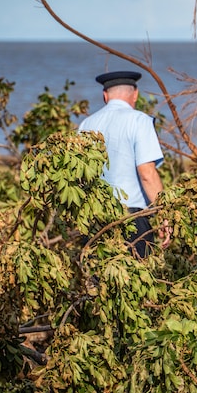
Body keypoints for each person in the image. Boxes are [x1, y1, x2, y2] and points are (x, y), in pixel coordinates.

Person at [79, 70, 171, 257]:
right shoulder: (140, 121)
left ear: (105, 96)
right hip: (131, 219)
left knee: (96, 274)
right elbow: (147, 174)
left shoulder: (85, 125)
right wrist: (164, 213)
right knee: (136, 273)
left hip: (94, 219)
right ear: (135, 94)